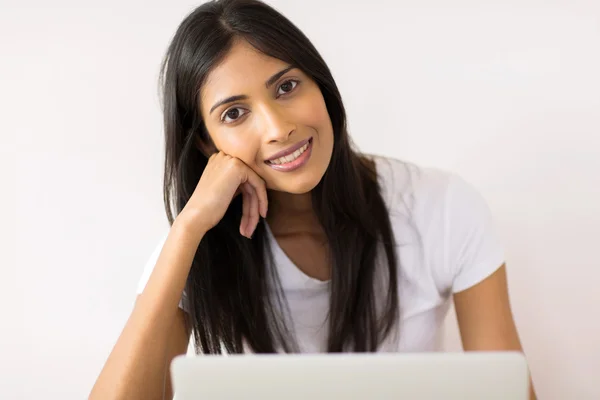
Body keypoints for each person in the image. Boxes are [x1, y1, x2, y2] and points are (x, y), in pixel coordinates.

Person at [90, 0, 536, 399]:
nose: (277, 127)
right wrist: (187, 228)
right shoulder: (194, 247)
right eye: (234, 113)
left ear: (320, 85)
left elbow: (508, 392)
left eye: (286, 87)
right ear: (207, 145)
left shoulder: (442, 208)